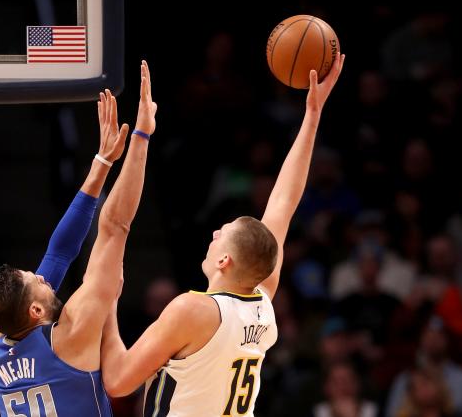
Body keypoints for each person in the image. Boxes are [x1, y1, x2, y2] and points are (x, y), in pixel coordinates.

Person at [101, 54, 345, 416]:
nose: (215, 232)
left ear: (225, 260)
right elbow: (283, 202)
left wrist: (105, 300)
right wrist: (312, 114)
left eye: (223, 232)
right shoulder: (262, 303)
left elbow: (118, 381)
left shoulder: (193, 310)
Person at [0, 60, 157, 416]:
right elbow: (115, 226)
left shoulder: (0, 348)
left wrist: (102, 162)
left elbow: (59, 254)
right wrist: (141, 135)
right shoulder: (72, 332)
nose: (43, 276)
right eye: (36, 281)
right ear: (35, 310)